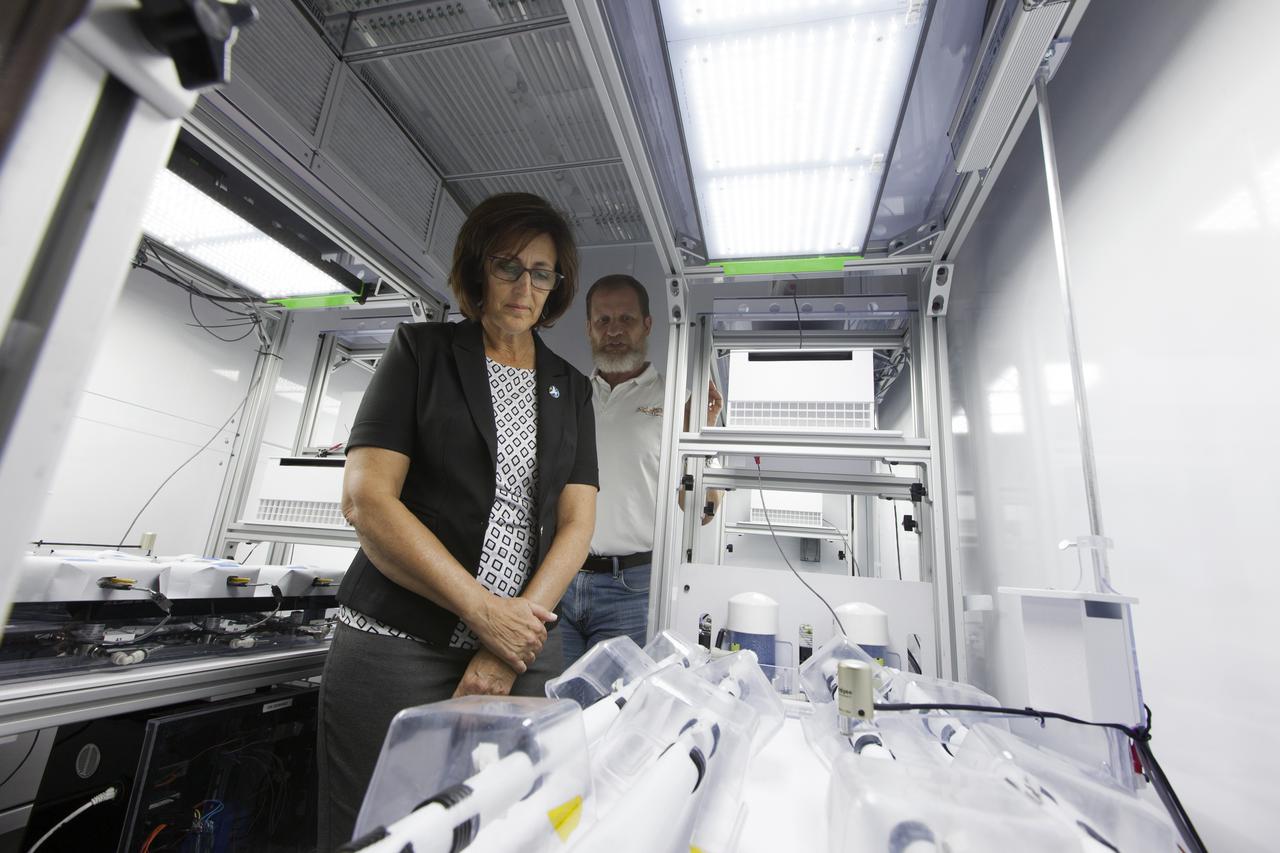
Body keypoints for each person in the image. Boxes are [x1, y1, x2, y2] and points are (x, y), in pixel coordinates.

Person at [316, 193, 598, 849]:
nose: (524, 286)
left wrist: (507, 639)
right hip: (397, 643)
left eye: (541, 271)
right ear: (478, 269)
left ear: (557, 284)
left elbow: (577, 523)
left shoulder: (570, 386)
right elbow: (367, 498)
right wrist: (482, 611)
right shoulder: (422, 352)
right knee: (378, 830)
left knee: (506, 828)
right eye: (508, 266)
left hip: (520, 651)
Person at [558, 274, 720, 666]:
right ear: (589, 328)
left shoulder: (677, 398)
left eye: (626, 319)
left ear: (647, 324)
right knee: (552, 708)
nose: (614, 330)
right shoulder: (568, 395)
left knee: (616, 711)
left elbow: (702, 511)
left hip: (631, 589)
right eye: (603, 320)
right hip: (559, 579)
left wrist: (697, 437)